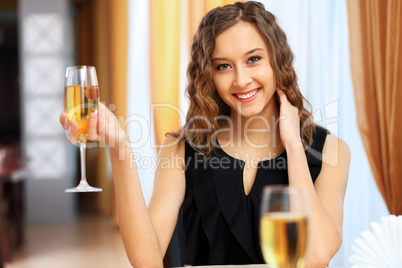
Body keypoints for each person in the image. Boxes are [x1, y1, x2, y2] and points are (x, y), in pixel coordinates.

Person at [60, 1, 350, 267]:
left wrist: (294, 146)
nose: (240, 79)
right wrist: (119, 147)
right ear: (209, 75)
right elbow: (147, 260)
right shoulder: (182, 148)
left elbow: (316, 256)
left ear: (277, 61)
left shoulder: (331, 152)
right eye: (223, 66)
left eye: (253, 59)